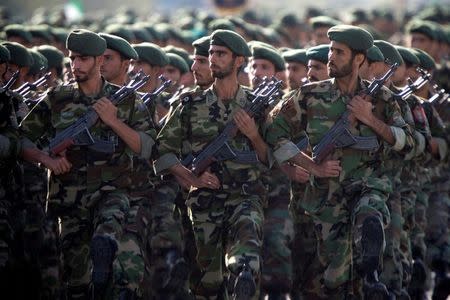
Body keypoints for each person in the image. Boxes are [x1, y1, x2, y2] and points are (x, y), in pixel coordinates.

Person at [266, 24, 414, 298]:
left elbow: (409, 142)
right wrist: (312, 166)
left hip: (368, 186)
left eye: (339, 52)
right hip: (327, 198)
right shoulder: (310, 95)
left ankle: (371, 271)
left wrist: (370, 119)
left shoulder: (382, 98)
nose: (330, 57)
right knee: (334, 281)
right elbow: (273, 134)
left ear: (359, 59)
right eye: (331, 50)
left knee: (370, 212)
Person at [19, 29, 155, 299]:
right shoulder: (57, 99)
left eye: (83, 59)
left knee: (108, 230)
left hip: (112, 191)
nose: (76, 65)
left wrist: (114, 121)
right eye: (72, 59)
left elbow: (147, 147)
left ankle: (104, 250)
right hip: (70, 200)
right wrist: (47, 160)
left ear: (98, 61)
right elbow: (22, 139)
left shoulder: (125, 100)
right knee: (77, 283)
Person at [154, 29, 270, 299]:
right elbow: (162, 150)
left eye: (221, 54)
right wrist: (191, 178)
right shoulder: (190, 104)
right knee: (208, 283)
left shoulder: (258, 105)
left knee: (246, 260)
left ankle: (243, 277)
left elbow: (270, 158)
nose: (214, 59)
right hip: (204, 203)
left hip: (247, 197)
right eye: (211, 54)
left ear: (238, 60)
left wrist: (254, 135)